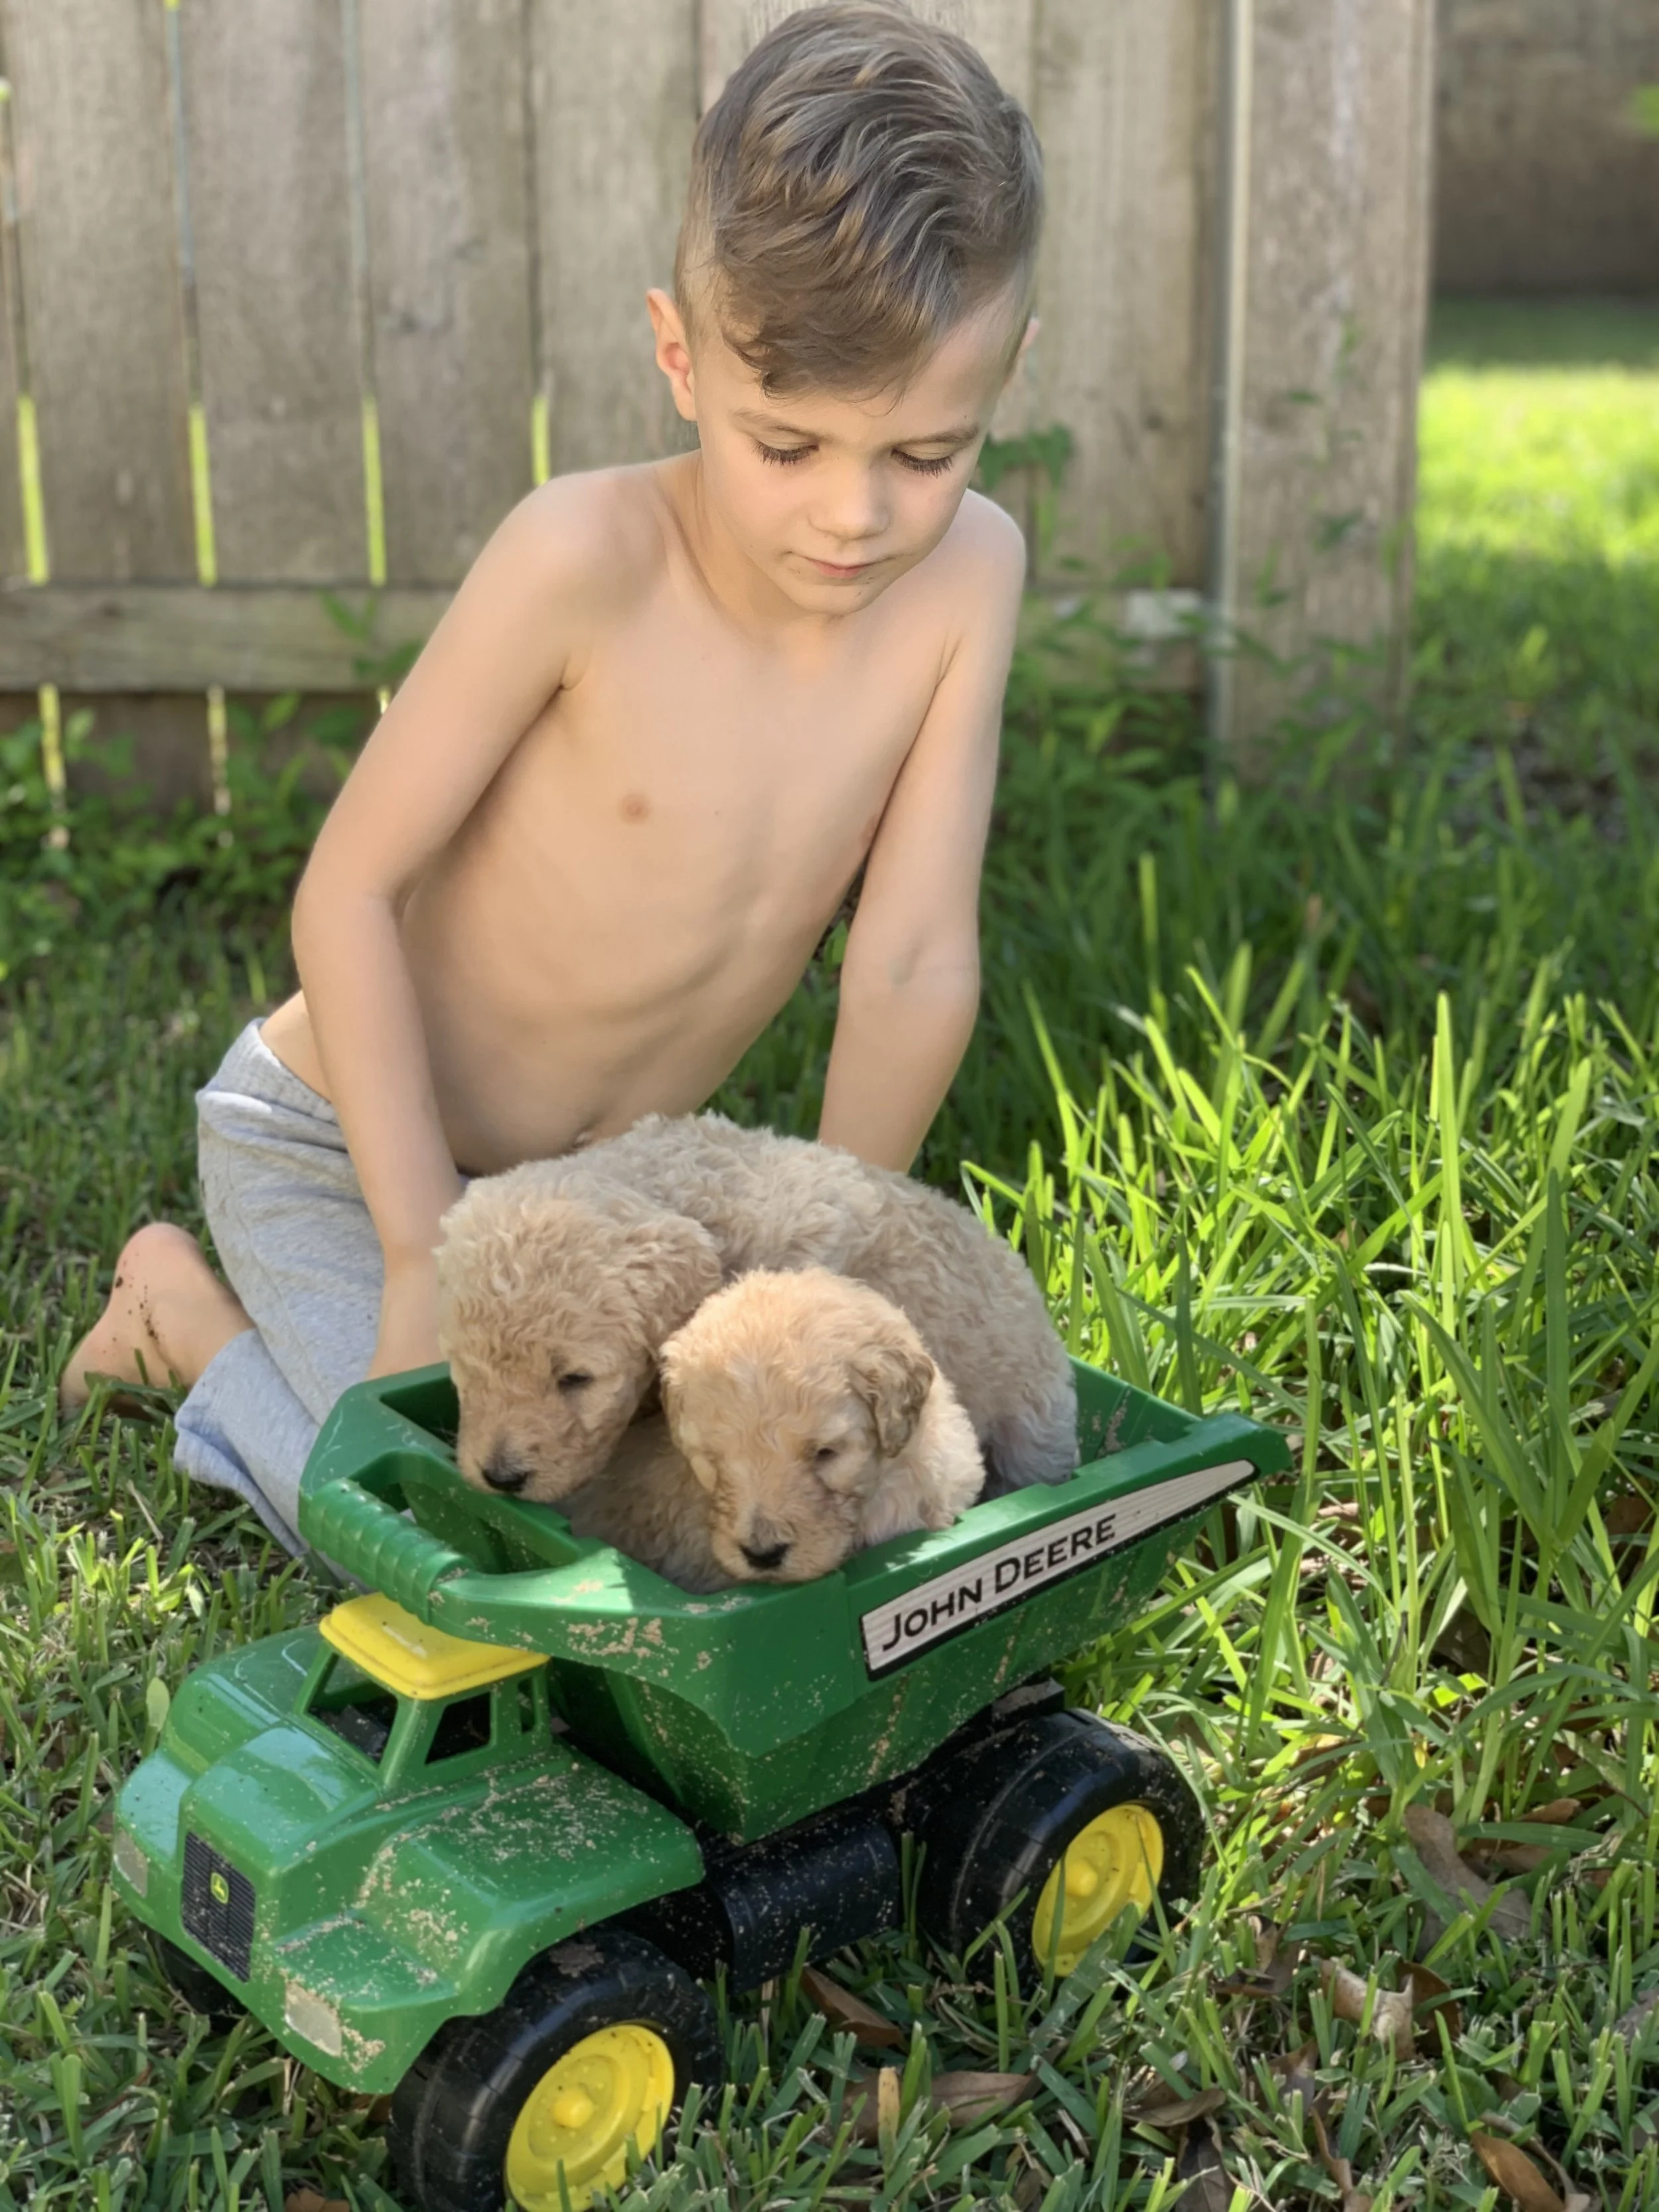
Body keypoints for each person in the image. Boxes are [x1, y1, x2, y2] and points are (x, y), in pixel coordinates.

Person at [59, 0, 1044, 1554]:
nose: (856, 515)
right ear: (678, 357)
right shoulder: (580, 559)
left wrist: (822, 1275)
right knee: (423, 1532)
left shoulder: (968, 579)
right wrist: (406, 1256)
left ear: (1005, 380)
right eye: (785, 445)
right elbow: (353, 888)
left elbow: (911, 955)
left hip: (605, 1200)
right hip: (342, 1141)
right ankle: (176, 1314)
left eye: (924, 453)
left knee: (700, 1509)